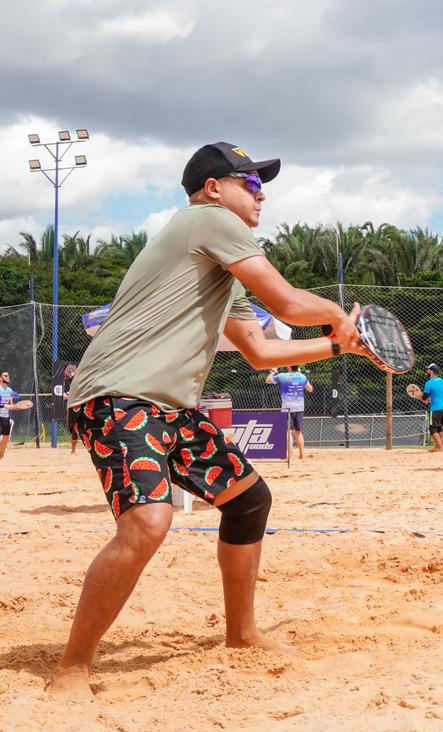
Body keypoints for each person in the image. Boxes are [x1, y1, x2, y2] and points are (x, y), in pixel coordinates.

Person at [47, 141, 369, 700]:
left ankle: (241, 635)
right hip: (119, 396)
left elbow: (262, 352)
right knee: (148, 523)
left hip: (169, 407)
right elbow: (291, 305)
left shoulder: (226, 265)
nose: (261, 194)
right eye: (252, 183)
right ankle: (73, 667)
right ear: (214, 188)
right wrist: (340, 317)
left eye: (262, 185)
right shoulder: (209, 220)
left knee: (248, 500)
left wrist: (338, 349)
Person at [265, 366, 313, 459]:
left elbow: (267, 380)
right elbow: (310, 389)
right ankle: (302, 455)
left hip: (287, 408)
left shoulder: (282, 376)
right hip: (299, 407)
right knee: (298, 432)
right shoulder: (302, 376)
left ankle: (290, 455)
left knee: (287, 432)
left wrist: (273, 371)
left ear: (289, 367)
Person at [419, 363, 443, 452]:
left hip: (435, 408)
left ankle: (440, 448)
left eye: (428, 370)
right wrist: (429, 399)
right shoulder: (442, 381)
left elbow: (424, 397)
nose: (427, 371)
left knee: (432, 429)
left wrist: (423, 398)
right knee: (439, 428)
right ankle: (437, 447)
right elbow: (438, 394)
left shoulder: (429, 383)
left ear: (431, 371)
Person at [0, 370, 21, 460]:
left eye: (8, 375)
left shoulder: (10, 390)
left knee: (6, 438)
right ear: (0, 378)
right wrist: (6, 405)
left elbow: (12, 403)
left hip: (6, 417)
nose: (7, 377)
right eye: (5, 376)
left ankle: (0, 455)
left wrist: (14, 407)